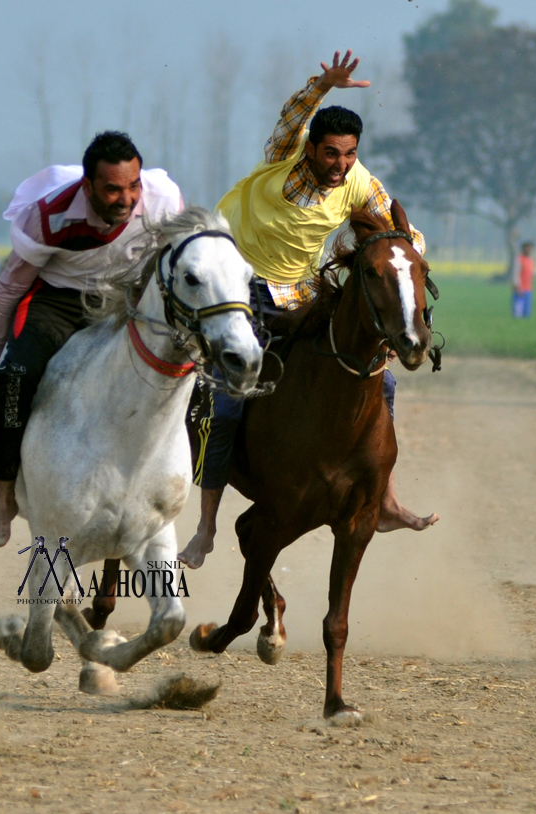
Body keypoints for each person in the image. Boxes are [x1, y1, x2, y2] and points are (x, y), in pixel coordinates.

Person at [180, 50, 437, 569]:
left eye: (348, 154)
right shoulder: (283, 157)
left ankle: (382, 499)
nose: (340, 164)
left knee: (380, 377)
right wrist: (322, 86)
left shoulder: (359, 182)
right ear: (313, 149)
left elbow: (397, 231)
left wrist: (410, 253)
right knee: (226, 398)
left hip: (300, 293)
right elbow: (293, 117)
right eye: (331, 154)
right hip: (238, 284)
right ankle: (206, 525)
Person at [0, 130, 184, 548]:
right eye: (112, 189)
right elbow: (9, 288)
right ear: (87, 187)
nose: (127, 199)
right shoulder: (49, 217)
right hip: (57, 302)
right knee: (17, 376)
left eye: (133, 186)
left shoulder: (165, 199)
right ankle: (5, 493)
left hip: (123, 300)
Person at [512, 241, 534, 318]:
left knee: (526, 313)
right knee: (518, 313)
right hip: (520, 290)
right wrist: (518, 286)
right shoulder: (519, 259)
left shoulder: (530, 260)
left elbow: (531, 272)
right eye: (527, 248)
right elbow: (516, 274)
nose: (528, 250)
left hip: (528, 289)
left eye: (530, 248)